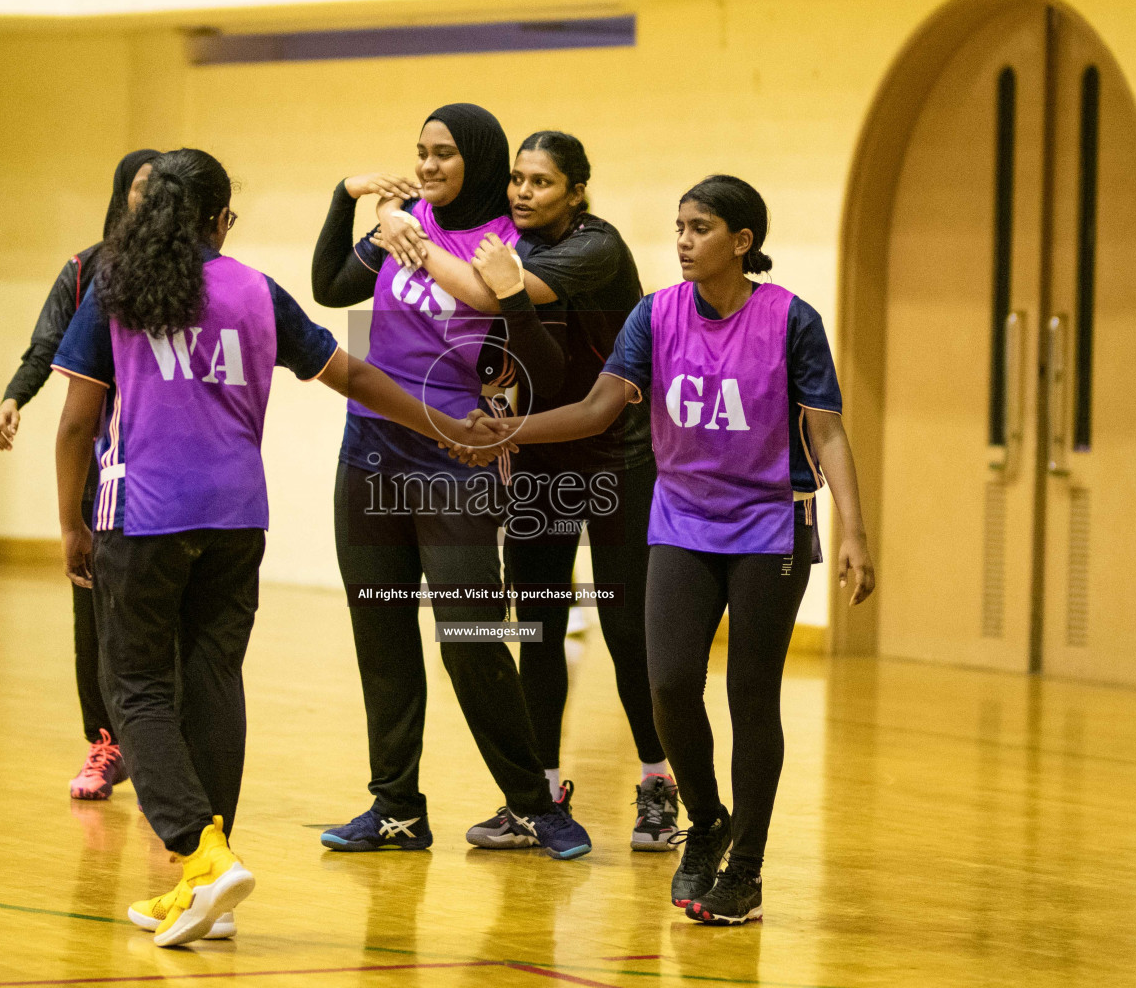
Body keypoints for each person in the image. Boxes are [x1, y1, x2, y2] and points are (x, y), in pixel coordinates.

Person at [51, 147, 504, 946]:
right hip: (236, 518)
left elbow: (77, 422)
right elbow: (354, 377)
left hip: (144, 517)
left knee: (137, 690)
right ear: (222, 219)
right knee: (214, 677)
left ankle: (200, 856)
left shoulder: (115, 286)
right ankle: (207, 887)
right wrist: (440, 422)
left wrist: (70, 522)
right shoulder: (256, 291)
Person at [460, 174, 876, 924]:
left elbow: (827, 429)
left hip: (770, 525)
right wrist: (510, 432)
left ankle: (744, 867)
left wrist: (856, 532)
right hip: (681, 519)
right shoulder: (654, 316)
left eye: (700, 228)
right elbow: (595, 409)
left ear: (742, 243)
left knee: (752, 695)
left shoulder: (792, 321)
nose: (683, 240)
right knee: (671, 685)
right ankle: (709, 819)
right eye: (678, 226)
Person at [378, 130, 676, 851]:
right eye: (516, 179)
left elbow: (491, 294)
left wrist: (410, 233)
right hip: (544, 454)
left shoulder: (592, 248)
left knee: (625, 628)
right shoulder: (515, 248)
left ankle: (658, 784)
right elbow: (522, 356)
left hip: (617, 456)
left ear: (576, 190)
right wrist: (495, 411)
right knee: (537, 624)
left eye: (541, 182)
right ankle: (538, 795)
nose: (522, 193)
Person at [310, 103, 591, 860]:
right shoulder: (401, 225)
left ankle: (534, 803)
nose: (429, 167)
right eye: (421, 153)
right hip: (369, 454)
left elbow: (506, 323)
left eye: (444, 155)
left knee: (470, 637)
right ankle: (396, 807)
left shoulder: (508, 239)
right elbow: (331, 287)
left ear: (479, 160)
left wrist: (412, 237)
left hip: (455, 461)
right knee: (382, 633)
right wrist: (349, 198)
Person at [0, 148, 160, 801]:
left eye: (161, 187)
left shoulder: (194, 276)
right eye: (143, 187)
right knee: (92, 611)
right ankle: (105, 742)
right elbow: (47, 345)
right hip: (100, 470)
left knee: (158, 617)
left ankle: (161, 753)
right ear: (123, 195)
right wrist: (13, 396)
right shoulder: (87, 270)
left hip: (165, 468)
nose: (152, 197)